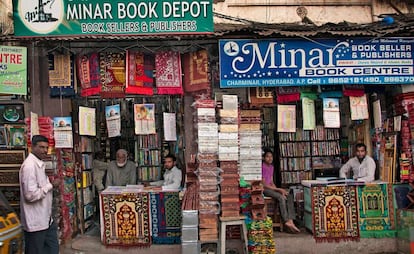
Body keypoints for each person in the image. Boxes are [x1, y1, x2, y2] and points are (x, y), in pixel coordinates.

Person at [19, 135, 59, 254]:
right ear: (33, 147)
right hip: (36, 222)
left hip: (46, 219)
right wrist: (50, 185)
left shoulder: (38, 164)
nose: (45, 151)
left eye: (46, 148)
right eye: (41, 147)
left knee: (52, 249)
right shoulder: (29, 166)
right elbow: (30, 195)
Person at [262, 149, 300, 233]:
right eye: (267, 156)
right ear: (264, 158)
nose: (270, 158)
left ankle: (291, 220)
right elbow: (264, 184)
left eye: (271, 156)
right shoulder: (263, 167)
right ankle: (286, 221)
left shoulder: (271, 167)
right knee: (280, 197)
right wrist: (278, 190)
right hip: (265, 190)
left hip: (271, 188)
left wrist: (279, 190)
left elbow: (271, 182)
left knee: (288, 195)